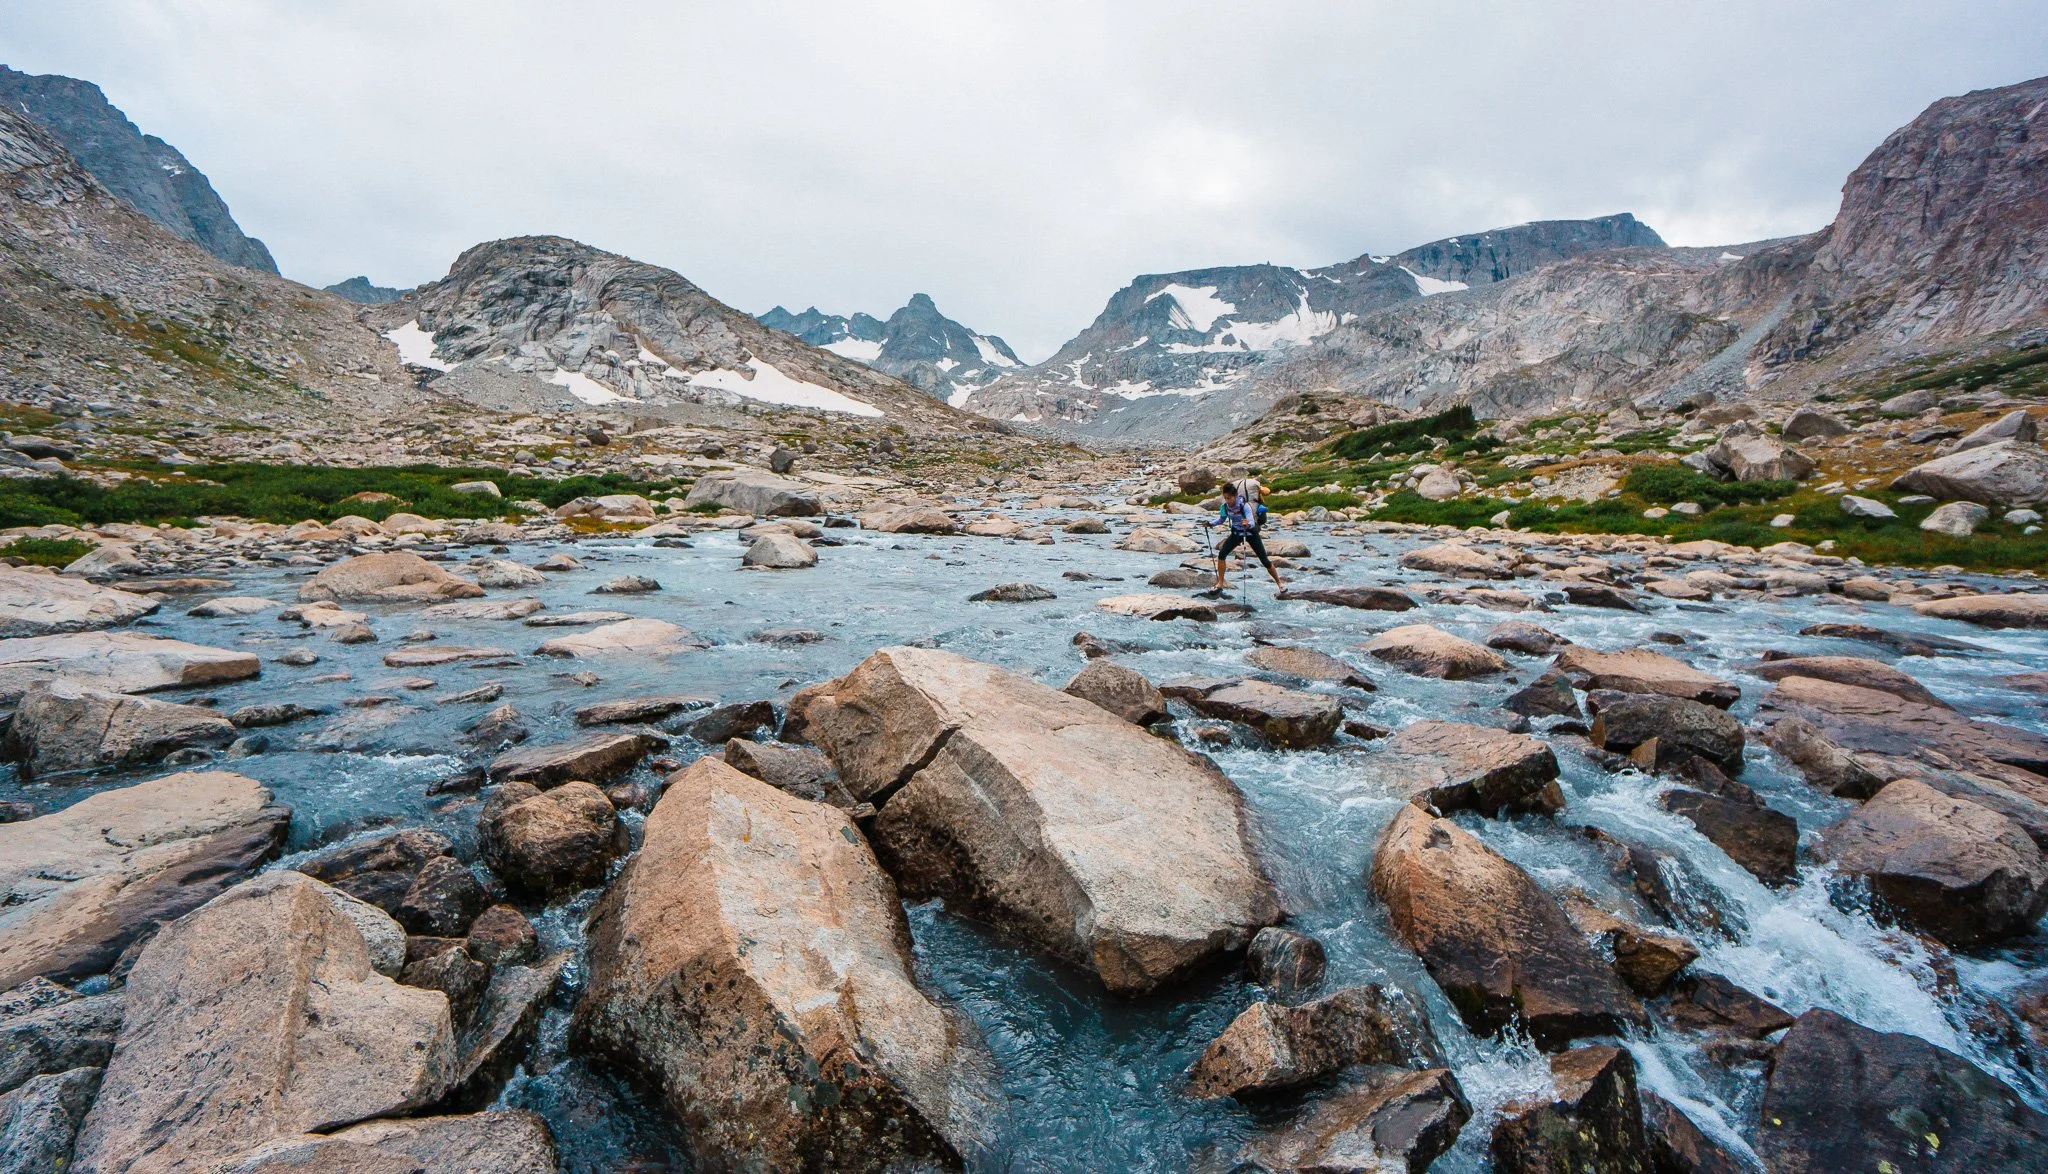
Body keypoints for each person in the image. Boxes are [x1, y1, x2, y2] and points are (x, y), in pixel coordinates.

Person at [1207, 479, 1283, 593]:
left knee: (1265, 560)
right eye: (1225, 498)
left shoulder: (1245, 506)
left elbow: (1252, 522)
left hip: (1250, 533)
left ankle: (1280, 584)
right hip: (1237, 533)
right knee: (1222, 554)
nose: (1228, 501)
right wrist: (1210, 524)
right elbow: (1221, 520)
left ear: (1236, 496)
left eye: (1230, 498)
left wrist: (1247, 524)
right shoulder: (1225, 507)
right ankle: (1220, 584)